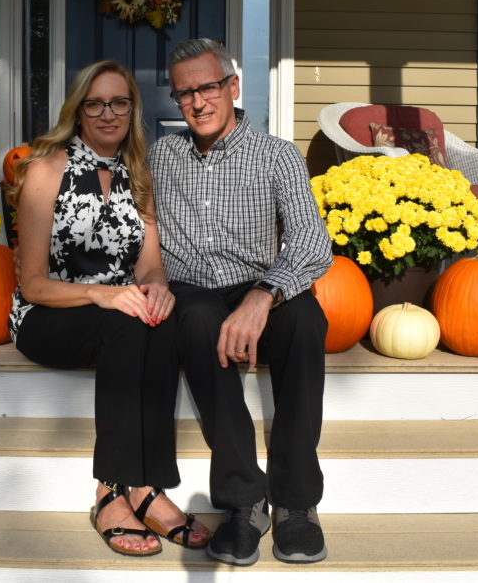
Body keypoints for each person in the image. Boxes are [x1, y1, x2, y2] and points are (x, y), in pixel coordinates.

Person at [6, 59, 210, 557]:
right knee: (127, 322)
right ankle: (109, 490)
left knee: (158, 317)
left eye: (119, 102)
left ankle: (148, 487)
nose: (107, 114)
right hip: (48, 315)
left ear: (132, 110)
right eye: (94, 103)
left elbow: (148, 266)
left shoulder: (138, 175)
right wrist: (100, 293)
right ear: (78, 112)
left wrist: (157, 286)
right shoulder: (44, 170)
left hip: (118, 312)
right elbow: (31, 284)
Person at [147, 38, 333, 566]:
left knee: (303, 320)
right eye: (184, 93)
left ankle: (296, 502)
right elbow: (144, 226)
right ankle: (244, 500)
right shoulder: (163, 156)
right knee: (197, 320)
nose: (197, 102)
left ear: (232, 87)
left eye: (207, 87)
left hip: (261, 284)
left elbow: (311, 244)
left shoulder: (276, 155)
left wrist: (263, 294)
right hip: (194, 293)